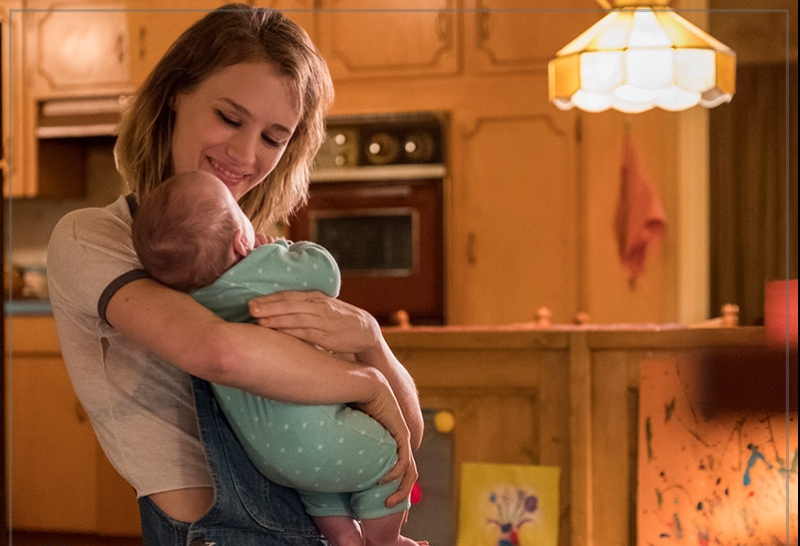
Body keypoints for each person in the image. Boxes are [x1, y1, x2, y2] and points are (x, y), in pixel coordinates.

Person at [46, 5, 423, 545]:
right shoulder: (95, 238)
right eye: (229, 118)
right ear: (175, 94)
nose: (245, 153)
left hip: (318, 529)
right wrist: (368, 384)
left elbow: (406, 435)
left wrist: (369, 339)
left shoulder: (261, 259)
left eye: (273, 138)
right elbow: (218, 351)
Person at [132, 171, 426, 546]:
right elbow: (325, 273)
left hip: (273, 457)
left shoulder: (191, 303)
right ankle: (385, 542)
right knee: (389, 460)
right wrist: (280, 247)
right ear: (241, 240)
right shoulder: (260, 268)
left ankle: (346, 539)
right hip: (318, 436)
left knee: (320, 489)